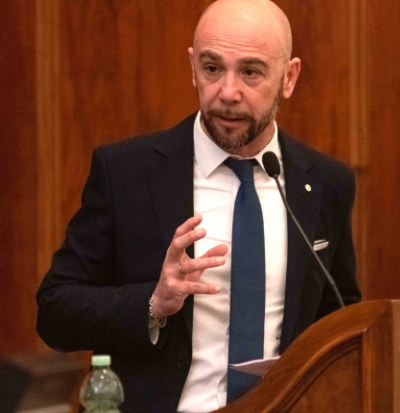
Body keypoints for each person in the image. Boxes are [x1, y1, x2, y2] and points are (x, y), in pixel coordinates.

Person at [36, 1, 361, 412]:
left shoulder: (326, 184)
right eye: (212, 68)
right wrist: (153, 303)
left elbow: (341, 324)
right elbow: (55, 312)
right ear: (193, 68)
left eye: (250, 72)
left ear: (289, 77)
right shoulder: (126, 174)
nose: (227, 92)